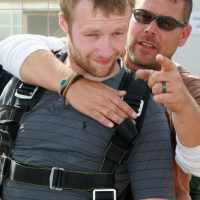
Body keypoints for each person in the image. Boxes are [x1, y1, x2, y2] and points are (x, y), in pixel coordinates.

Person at [1, 0, 200, 199]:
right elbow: (12, 46)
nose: (150, 29)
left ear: (183, 34)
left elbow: (195, 164)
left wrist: (182, 105)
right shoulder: (47, 65)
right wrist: (71, 85)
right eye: (143, 16)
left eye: (166, 23)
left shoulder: (186, 89)